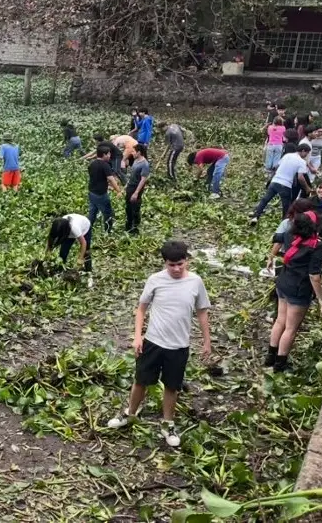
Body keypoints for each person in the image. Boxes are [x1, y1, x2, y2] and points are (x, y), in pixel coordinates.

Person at [106, 240, 211, 448]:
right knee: (141, 380)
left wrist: (207, 340)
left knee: (172, 386)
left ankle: (167, 423)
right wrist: (138, 336)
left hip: (179, 345)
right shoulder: (155, 280)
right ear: (165, 263)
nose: (176, 269)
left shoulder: (195, 282)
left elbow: (202, 311)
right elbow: (142, 308)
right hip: (153, 342)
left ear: (187, 261)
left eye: (180, 264)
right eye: (171, 265)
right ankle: (130, 413)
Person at [265, 211, 322, 373]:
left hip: (283, 283)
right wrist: (321, 299)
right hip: (299, 289)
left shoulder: (289, 235)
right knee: (291, 328)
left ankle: (270, 356)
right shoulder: (316, 246)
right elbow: (314, 276)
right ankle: (280, 364)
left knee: (280, 320)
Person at [249, 143, 312, 224]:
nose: (306, 155)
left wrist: (271, 179)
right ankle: (284, 222)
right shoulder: (301, 162)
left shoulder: (287, 155)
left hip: (275, 181)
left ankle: (255, 217)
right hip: (285, 185)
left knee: (265, 200)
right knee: (287, 206)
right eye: (307, 153)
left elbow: (277, 167)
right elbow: (300, 177)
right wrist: (307, 188)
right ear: (303, 151)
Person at [260, 198, 315, 278]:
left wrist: (270, 258)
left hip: (291, 256)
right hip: (306, 258)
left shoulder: (287, 223)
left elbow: (278, 241)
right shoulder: (313, 222)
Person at [87, 144, 122, 234]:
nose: (110, 156)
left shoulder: (92, 164)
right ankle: (108, 232)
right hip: (100, 194)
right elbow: (111, 179)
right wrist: (118, 191)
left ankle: (86, 229)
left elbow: (97, 177)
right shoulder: (105, 165)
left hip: (91, 192)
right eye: (109, 154)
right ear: (104, 155)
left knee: (92, 213)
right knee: (108, 213)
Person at [125, 145, 151, 234]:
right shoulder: (136, 160)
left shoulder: (145, 164)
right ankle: (128, 225)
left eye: (134, 151)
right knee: (128, 207)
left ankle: (134, 227)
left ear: (139, 152)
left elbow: (143, 180)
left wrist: (136, 192)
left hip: (136, 188)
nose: (132, 153)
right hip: (130, 186)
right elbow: (132, 174)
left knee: (135, 208)